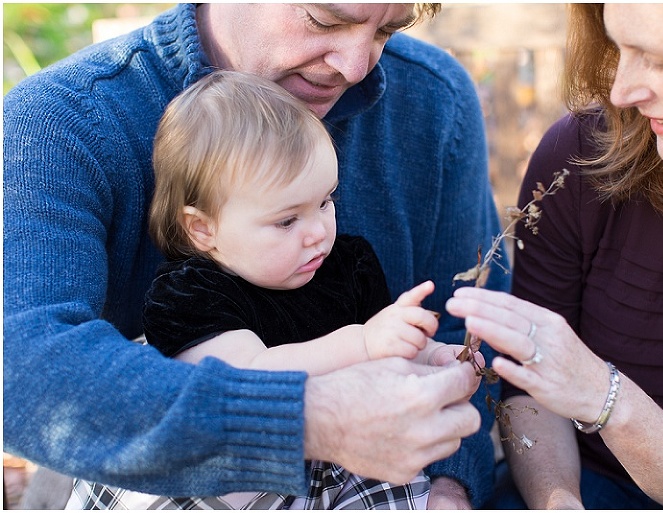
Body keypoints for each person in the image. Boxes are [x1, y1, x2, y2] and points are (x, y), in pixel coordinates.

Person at [3, 4, 510, 509]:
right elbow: (21, 368)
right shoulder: (60, 123)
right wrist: (308, 420)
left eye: (387, 31)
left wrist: (449, 486)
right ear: (198, 226)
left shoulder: (436, 100)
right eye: (325, 20)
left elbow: (460, 323)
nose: (356, 67)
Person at [68, 69, 473, 509]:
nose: (318, 232)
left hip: (346, 454)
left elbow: (385, 355)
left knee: (407, 482)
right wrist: (364, 342)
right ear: (204, 229)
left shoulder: (348, 264)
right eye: (286, 220)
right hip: (235, 472)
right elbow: (252, 375)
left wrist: (429, 358)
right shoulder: (190, 293)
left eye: (325, 202)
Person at [447, 3, 663, 510]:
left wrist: (603, 396)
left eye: (658, 58)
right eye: (620, 48)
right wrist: (559, 501)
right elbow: (528, 390)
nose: (621, 92)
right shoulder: (579, 156)